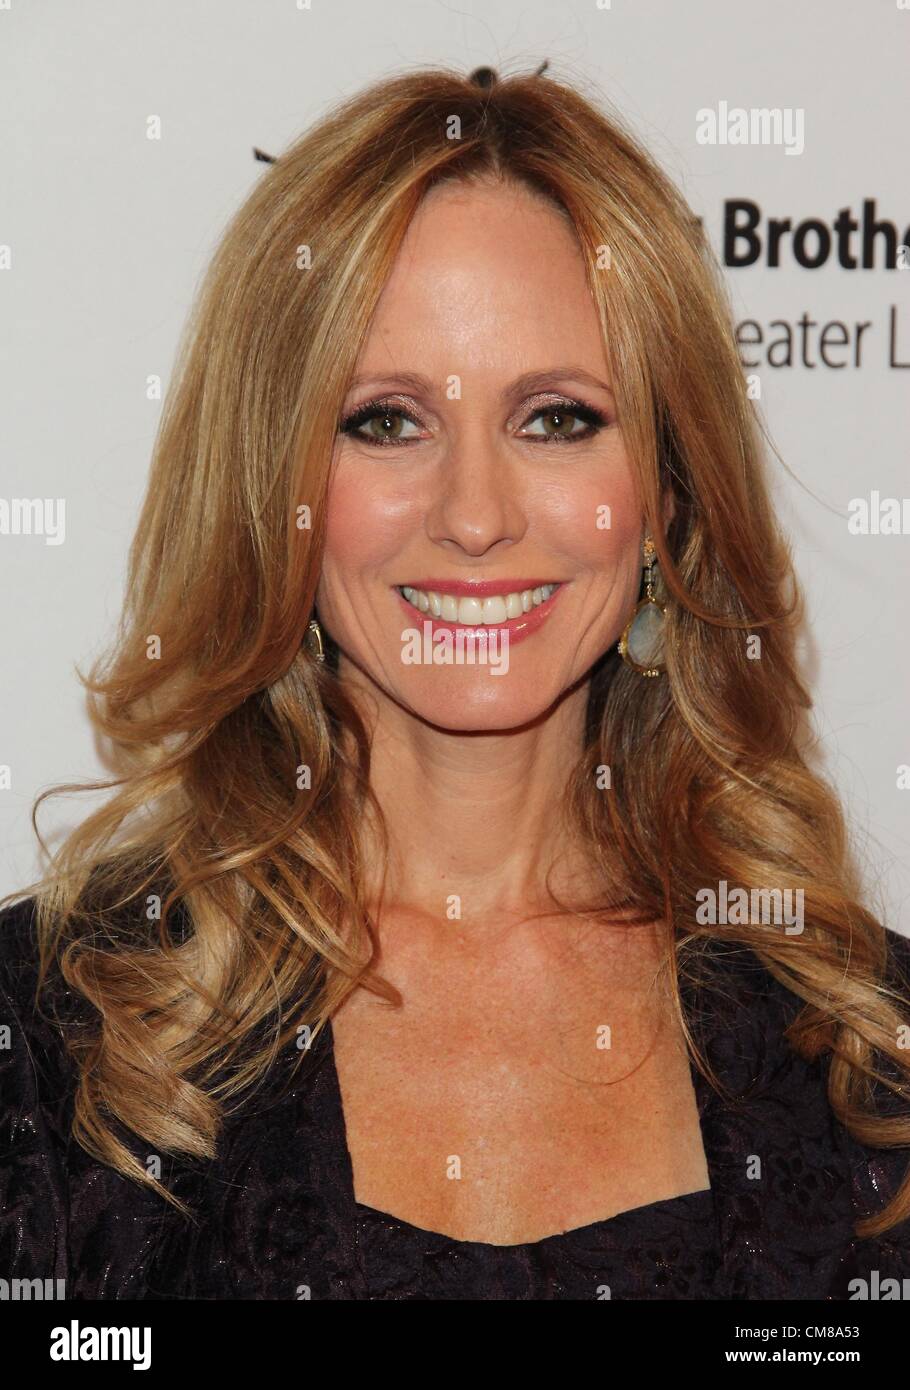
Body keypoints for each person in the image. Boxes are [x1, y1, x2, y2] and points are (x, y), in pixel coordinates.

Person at [1, 64, 909, 1301]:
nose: (474, 517)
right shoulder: (56, 1039)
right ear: (278, 492)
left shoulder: (865, 1058)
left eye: (556, 418)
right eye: (386, 421)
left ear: (667, 493)